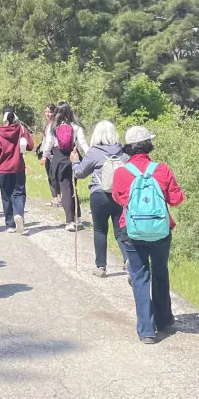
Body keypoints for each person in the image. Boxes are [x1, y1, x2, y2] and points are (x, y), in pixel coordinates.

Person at [112, 126, 184, 342]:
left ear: (129, 147)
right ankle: (164, 320)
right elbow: (176, 199)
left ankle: (146, 330)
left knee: (139, 275)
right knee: (160, 272)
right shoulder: (162, 169)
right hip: (160, 230)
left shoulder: (121, 172)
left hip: (132, 230)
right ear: (148, 145)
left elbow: (118, 197)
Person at [73, 120, 127, 277]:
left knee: (100, 230)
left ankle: (101, 267)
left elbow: (80, 173)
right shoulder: (123, 151)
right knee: (120, 231)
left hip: (99, 194)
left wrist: (75, 161)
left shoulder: (94, 151)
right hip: (119, 195)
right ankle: (128, 261)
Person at [43, 102, 88, 231]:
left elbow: (48, 144)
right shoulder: (76, 126)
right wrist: (91, 156)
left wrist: (46, 155)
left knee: (65, 188)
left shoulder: (53, 126)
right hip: (73, 157)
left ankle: (70, 221)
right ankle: (77, 217)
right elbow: (83, 143)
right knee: (73, 186)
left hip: (59, 158)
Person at [0, 108, 33, 234]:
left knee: (6, 196)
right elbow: (30, 146)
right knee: (19, 193)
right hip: (18, 167)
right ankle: (18, 214)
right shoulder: (21, 129)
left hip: (3, 168)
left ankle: (10, 225)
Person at [39, 103, 60, 204]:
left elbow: (49, 142)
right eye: (46, 111)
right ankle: (58, 198)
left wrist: (44, 155)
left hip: (50, 153)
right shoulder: (49, 124)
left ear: (54, 113)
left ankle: (56, 199)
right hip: (52, 153)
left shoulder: (52, 125)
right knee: (54, 176)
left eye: (50, 112)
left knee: (52, 176)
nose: (47, 114)